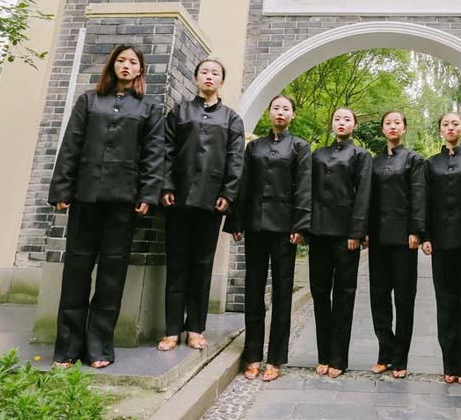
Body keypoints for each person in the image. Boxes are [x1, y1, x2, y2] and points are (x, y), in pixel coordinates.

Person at [48, 44, 164, 369]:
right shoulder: (89, 100)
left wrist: (147, 194)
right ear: (112, 65)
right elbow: (71, 144)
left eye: (133, 62)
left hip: (123, 202)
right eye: (121, 60)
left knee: (112, 275)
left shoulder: (149, 108)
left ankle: (99, 346)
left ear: (141, 70)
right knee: (76, 271)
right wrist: (62, 188)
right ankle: (67, 348)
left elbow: (154, 154)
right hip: (85, 197)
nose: (126, 66)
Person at [158, 59, 245, 352]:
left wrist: (228, 193)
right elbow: (166, 151)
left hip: (212, 202)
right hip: (178, 198)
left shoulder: (232, 119)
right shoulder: (180, 112)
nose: (209, 77)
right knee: (177, 262)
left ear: (222, 81)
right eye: (204, 72)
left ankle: (195, 327)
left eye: (215, 73)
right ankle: (171, 329)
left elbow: (236, 159)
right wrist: (167, 185)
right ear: (196, 78)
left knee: (202, 264)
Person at [223, 95, 311, 382]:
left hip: (285, 229)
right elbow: (243, 184)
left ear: (293, 115)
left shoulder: (300, 147)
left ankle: (275, 358)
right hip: (256, 228)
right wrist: (236, 220)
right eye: (276, 108)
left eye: (286, 109)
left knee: (283, 292)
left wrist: (300, 225)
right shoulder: (255, 147)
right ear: (270, 113)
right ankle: (252, 355)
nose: (280, 112)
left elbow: (304, 189)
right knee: (253, 290)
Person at [421, 112, 461, 385]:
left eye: (455, 124)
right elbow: (424, 201)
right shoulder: (430, 164)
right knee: (445, 303)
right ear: (439, 130)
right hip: (441, 243)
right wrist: (425, 235)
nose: (450, 127)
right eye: (445, 124)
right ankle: (449, 365)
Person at [309, 108, 372, 378]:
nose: (342, 123)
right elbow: (308, 192)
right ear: (332, 123)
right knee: (320, 293)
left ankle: (338, 359)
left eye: (347, 119)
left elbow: (364, 195)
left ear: (354, 126)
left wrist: (356, 233)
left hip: (346, 236)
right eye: (337, 118)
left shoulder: (361, 156)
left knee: (344, 296)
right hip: (318, 234)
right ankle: (323, 355)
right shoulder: (318, 155)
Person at [367, 110, 426, 379]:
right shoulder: (374, 161)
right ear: (382, 130)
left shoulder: (414, 160)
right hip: (378, 239)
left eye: (397, 123)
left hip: (404, 240)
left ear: (404, 128)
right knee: (379, 298)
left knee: (404, 299)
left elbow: (418, 195)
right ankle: (384, 352)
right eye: (388, 123)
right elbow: (368, 199)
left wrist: (416, 230)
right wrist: (365, 231)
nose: (393, 127)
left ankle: (400, 358)